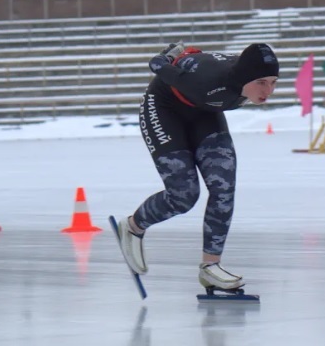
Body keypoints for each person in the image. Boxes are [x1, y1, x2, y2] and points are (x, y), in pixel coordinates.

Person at [118, 42, 279, 291]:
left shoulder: (239, 76)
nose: (268, 90)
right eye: (261, 82)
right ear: (247, 77)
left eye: (273, 82)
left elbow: (232, 62)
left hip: (204, 111)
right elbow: (157, 65)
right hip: (165, 107)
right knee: (183, 196)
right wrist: (171, 56)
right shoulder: (207, 79)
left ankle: (210, 268)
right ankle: (133, 227)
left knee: (223, 186)